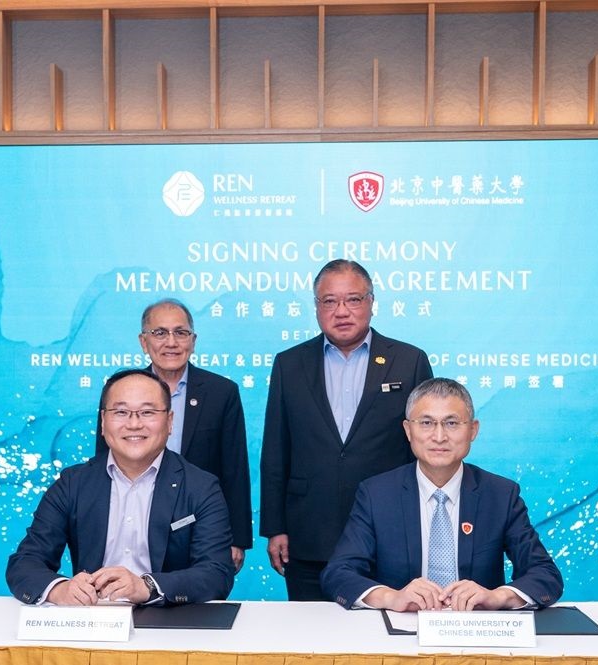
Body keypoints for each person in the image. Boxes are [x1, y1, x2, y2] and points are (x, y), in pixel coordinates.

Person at [261, 259, 433, 600]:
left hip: (389, 532)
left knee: (385, 639)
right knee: (310, 644)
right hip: (308, 533)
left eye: (353, 299)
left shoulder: (408, 360)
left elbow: (426, 447)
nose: (342, 311)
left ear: (371, 302)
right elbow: (276, 450)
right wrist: (275, 527)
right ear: (316, 307)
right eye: (329, 301)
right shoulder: (290, 364)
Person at [320, 377, 563, 611]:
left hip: (478, 634)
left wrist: (496, 596)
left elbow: (545, 575)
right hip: (401, 632)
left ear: (473, 430)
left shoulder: (500, 495)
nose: (439, 437)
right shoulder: (376, 495)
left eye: (452, 423)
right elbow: (338, 574)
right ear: (408, 430)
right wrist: (392, 597)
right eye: (426, 423)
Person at [7, 368, 234, 606]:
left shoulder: (201, 487)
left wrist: (146, 586)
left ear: (169, 422)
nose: (134, 424)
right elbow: (25, 562)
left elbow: (216, 573)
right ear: (103, 422)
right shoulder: (73, 484)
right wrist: (60, 589)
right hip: (92, 620)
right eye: (121, 412)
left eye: (147, 412)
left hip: (168, 620)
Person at [96, 299, 252, 572]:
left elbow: (235, 469)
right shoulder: (121, 390)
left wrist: (236, 537)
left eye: (181, 333)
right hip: (134, 518)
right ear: (143, 342)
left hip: (200, 522)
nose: (171, 342)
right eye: (160, 333)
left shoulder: (221, 392)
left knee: (195, 601)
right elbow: (103, 461)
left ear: (193, 341)